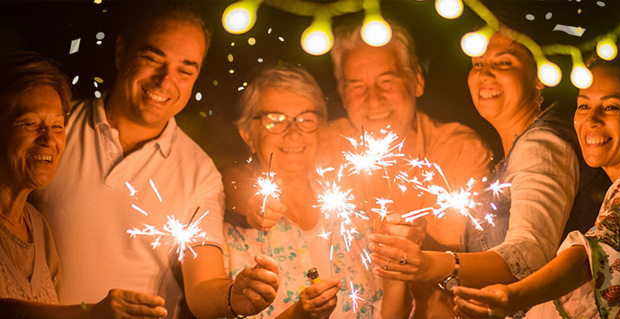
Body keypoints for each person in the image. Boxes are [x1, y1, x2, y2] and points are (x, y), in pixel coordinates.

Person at [224, 18, 494, 319]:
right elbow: (267, 157)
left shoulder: (456, 150)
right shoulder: (330, 142)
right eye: (356, 86)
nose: (373, 98)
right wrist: (246, 198)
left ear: (416, 79)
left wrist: (409, 251)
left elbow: (473, 252)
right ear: (342, 93)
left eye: (386, 81)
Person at [29, 4, 279, 319]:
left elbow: (203, 288)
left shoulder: (200, 173)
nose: (164, 81)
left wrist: (233, 296)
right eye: (152, 59)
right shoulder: (54, 131)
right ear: (121, 52)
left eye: (185, 70)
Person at [367, 29, 608, 318]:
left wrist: (432, 264)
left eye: (503, 63)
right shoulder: (517, 152)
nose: (485, 75)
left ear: (540, 77)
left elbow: (529, 253)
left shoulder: (541, 145)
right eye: (478, 64)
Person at [452, 48, 620, 319]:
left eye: (611, 107)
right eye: (583, 106)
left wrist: (512, 296)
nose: (591, 120)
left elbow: (591, 257)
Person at [0, 51, 168, 318]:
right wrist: (87, 314)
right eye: (30, 123)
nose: (48, 140)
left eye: (57, 126)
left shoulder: (38, 228)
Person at [223, 64, 381, 319]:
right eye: (275, 120)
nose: (293, 132)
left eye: (306, 119)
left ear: (320, 129)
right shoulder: (230, 234)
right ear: (248, 136)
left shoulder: (354, 220)